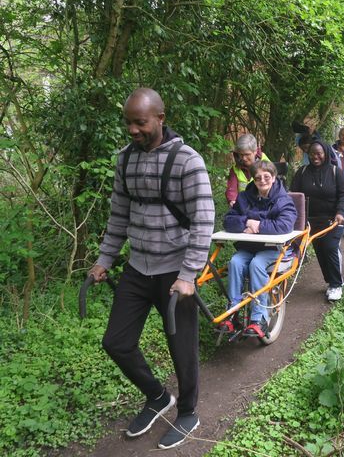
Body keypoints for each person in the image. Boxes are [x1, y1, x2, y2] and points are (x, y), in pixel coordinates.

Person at [88, 88, 215, 449]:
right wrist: (104, 259)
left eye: (139, 122)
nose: (132, 130)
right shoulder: (125, 160)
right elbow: (118, 217)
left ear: (160, 118)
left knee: (183, 348)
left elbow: (204, 221)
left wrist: (189, 274)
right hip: (138, 266)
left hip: (176, 271)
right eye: (128, 122)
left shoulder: (188, 161)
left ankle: (188, 411)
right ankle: (158, 396)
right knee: (116, 342)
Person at [221, 161, 297, 337]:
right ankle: (232, 313)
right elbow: (228, 221)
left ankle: (258, 318)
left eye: (266, 177)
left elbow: (284, 225)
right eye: (257, 178)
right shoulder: (244, 197)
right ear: (253, 180)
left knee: (256, 264)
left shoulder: (283, 199)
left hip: (273, 249)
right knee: (235, 262)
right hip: (249, 247)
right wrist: (246, 222)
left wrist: (258, 225)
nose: (262, 180)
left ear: (273, 177)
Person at [291, 141, 344, 301]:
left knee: (330, 247)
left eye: (319, 153)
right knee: (320, 250)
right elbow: (294, 196)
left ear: (325, 154)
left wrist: (340, 212)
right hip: (310, 220)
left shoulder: (335, 171)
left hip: (333, 218)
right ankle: (331, 281)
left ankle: (337, 284)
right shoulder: (302, 172)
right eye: (312, 154)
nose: (315, 157)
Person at [225, 133, 270, 207]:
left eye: (247, 154)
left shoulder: (266, 163)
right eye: (241, 155)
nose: (243, 158)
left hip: (264, 205)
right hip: (242, 206)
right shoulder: (235, 169)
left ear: (255, 151)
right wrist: (232, 201)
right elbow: (231, 189)